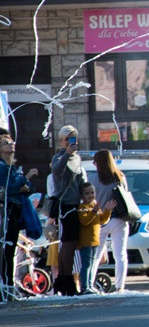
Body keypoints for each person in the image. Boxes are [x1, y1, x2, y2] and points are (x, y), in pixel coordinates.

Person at [51, 125, 88, 296]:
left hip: (76, 204)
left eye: (73, 138)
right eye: (68, 139)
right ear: (61, 141)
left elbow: (80, 180)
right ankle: (63, 280)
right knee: (67, 243)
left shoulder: (77, 158)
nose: (71, 142)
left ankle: (66, 280)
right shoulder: (59, 157)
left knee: (72, 243)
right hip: (65, 205)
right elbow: (57, 171)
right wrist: (66, 153)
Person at [1, 134, 39, 296]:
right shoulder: (2, 167)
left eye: (11, 142)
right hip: (6, 214)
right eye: (6, 143)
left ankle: (9, 287)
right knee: (6, 251)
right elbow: (11, 187)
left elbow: (28, 188)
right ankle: (6, 287)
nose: (11, 145)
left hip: (15, 214)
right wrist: (27, 178)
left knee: (10, 252)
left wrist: (25, 184)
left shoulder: (12, 167)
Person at [93, 149, 130, 293]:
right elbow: (125, 197)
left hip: (100, 220)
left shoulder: (92, 178)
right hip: (119, 219)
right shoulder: (119, 177)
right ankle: (120, 286)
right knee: (120, 254)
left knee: (96, 255)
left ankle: (91, 284)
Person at [76, 182, 112, 294]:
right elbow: (84, 221)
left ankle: (90, 285)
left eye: (92, 192)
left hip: (95, 240)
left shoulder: (94, 206)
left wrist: (107, 210)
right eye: (87, 193)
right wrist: (94, 211)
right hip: (86, 241)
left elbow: (102, 220)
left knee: (92, 264)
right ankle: (84, 287)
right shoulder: (82, 208)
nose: (91, 195)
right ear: (82, 196)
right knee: (86, 264)